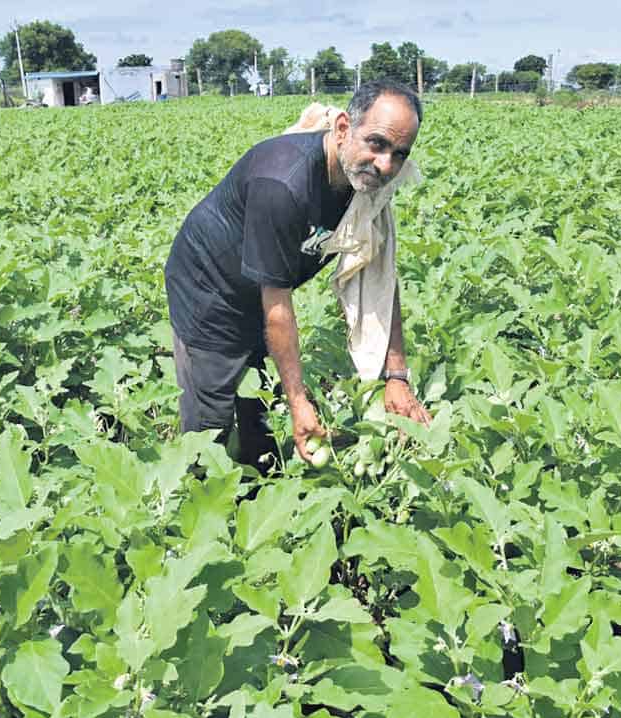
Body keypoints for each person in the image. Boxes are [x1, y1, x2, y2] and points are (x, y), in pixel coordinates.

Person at [165, 80, 430, 470]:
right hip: (209, 290)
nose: (386, 165)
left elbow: (379, 274)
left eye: (399, 154)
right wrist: (299, 401)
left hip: (258, 286)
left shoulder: (365, 185)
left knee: (258, 408)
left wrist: (396, 374)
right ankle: (201, 501)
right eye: (377, 143)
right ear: (342, 129)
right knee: (211, 423)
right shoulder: (284, 184)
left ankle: (258, 488)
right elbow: (277, 306)